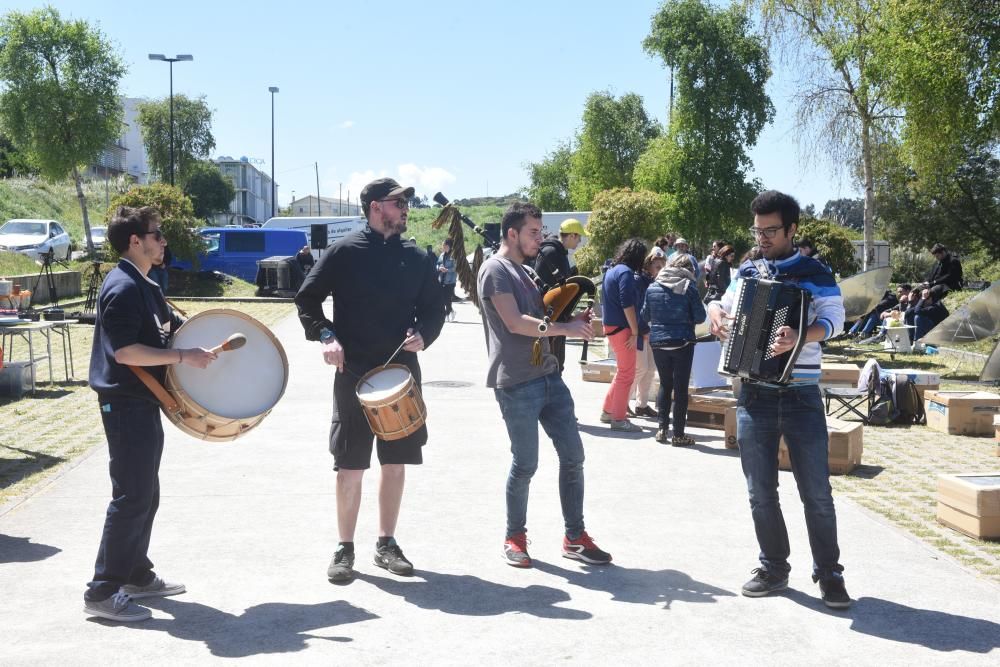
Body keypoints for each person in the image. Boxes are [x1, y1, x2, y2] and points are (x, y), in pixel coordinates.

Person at [295, 177, 445, 583]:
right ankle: (344, 548)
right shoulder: (343, 254)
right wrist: (326, 336)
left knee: (395, 464)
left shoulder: (416, 257)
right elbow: (306, 299)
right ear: (376, 207)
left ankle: (386, 543)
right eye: (399, 203)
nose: (405, 209)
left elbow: (435, 308)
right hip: (354, 374)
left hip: (401, 374)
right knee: (350, 466)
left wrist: (424, 335)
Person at [708, 190, 851, 609]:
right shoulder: (748, 270)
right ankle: (773, 566)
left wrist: (800, 336)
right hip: (754, 393)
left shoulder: (816, 272)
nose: (763, 237)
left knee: (817, 492)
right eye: (758, 230)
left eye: (771, 230)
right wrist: (715, 312)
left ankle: (829, 573)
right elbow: (722, 302)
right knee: (760, 491)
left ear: (792, 229)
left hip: (803, 394)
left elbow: (835, 320)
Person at [84, 206, 217, 622]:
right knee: (131, 495)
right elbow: (125, 352)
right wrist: (183, 355)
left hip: (142, 402)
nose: (163, 241)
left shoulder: (146, 284)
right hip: (124, 403)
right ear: (134, 241)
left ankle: (136, 575)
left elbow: (170, 325)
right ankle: (102, 589)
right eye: (157, 235)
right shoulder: (122, 286)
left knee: (146, 492)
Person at [477, 202, 612, 568]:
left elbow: (541, 318)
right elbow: (515, 323)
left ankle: (575, 538)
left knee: (574, 457)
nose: (542, 238)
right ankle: (514, 536)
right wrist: (563, 328)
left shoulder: (525, 272)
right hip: (516, 381)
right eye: (534, 232)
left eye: (541, 232)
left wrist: (574, 319)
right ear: (512, 233)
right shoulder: (495, 270)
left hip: (549, 376)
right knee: (525, 464)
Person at [642, 252, 706, 446]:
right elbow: (700, 317)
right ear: (689, 269)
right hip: (683, 342)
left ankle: (661, 429)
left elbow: (645, 316)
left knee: (664, 384)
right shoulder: (689, 288)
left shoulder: (653, 286)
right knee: (680, 388)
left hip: (659, 342)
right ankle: (678, 434)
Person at [599, 238, 647, 432]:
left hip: (611, 327)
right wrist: (635, 332)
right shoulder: (626, 272)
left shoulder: (611, 270)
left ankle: (608, 411)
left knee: (622, 372)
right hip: (623, 329)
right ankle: (619, 419)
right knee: (627, 374)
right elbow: (627, 303)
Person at [533, 218, 588, 373]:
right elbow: (549, 288)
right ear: (571, 235)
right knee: (553, 364)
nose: (580, 241)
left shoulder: (557, 252)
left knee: (557, 364)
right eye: (579, 237)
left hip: (557, 316)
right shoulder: (552, 252)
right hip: (551, 317)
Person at [628, 247, 667, 419]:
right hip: (640, 331)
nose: (660, 270)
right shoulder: (639, 280)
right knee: (640, 368)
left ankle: (642, 405)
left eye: (662, 266)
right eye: (657, 266)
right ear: (648, 265)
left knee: (650, 369)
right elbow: (637, 308)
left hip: (652, 330)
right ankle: (622, 402)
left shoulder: (654, 281)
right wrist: (643, 330)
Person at [437, 239, 457, 322]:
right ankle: (451, 311)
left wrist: (447, 270)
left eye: (445, 246)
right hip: (442, 279)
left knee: (448, 298)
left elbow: (456, 268)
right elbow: (437, 264)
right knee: (443, 298)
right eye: (443, 246)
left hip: (450, 281)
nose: (443, 247)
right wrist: (439, 268)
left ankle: (447, 314)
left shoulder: (454, 255)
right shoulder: (441, 255)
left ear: (449, 246)